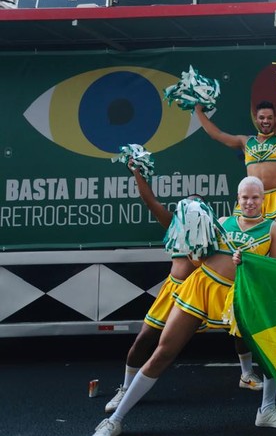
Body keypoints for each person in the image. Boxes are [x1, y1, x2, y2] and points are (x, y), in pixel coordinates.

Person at [87, 177, 276, 436]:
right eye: (245, 198)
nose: (250, 203)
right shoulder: (220, 221)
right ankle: (115, 420)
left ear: (263, 199)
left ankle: (266, 409)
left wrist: (248, 264)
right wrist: (194, 246)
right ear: (238, 198)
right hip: (201, 288)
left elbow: (273, 273)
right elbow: (199, 260)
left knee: (268, 351)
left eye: (255, 198)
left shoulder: (275, 229)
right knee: (164, 351)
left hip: (240, 296)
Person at [104, 165, 262, 415]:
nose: (194, 207)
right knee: (145, 339)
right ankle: (125, 388)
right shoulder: (173, 225)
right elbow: (150, 201)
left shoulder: (214, 230)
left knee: (239, 329)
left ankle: (246, 374)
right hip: (174, 291)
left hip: (204, 288)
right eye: (189, 203)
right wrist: (136, 173)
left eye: (200, 204)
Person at [195, 88, 276, 262]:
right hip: (249, 199)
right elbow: (217, 135)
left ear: (275, 119)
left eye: (269, 118)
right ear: (256, 119)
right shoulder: (245, 142)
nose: (265, 121)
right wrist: (198, 111)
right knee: (243, 244)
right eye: (261, 117)